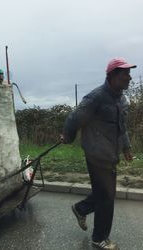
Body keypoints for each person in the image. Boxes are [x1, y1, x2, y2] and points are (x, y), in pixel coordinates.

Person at [61, 57, 136, 250]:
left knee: (104, 193)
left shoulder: (119, 98)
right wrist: (67, 138)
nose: (129, 78)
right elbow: (73, 119)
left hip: (110, 154)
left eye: (129, 73)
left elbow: (121, 127)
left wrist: (126, 147)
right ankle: (99, 238)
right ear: (112, 76)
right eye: (125, 74)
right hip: (97, 155)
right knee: (107, 198)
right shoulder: (96, 97)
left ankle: (80, 209)